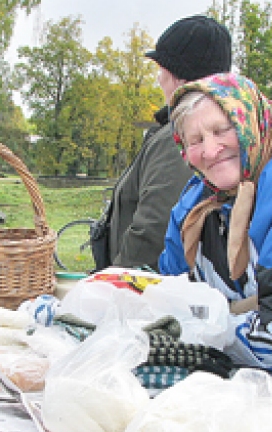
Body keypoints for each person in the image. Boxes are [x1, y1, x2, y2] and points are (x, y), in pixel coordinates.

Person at [159, 73, 272, 372]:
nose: (210, 150)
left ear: (249, 122)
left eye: (222, 130)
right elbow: (167, 292)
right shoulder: (197, 200)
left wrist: (195, 334)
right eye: (195, 140)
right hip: (238, 372)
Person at [91, 15, 232, 271]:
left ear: (177, 76)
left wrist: (113, 284)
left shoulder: (179, 137)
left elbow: (154, 227)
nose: (158, 79)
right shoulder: (212, 132)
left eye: (161, 70)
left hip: (146, 293)